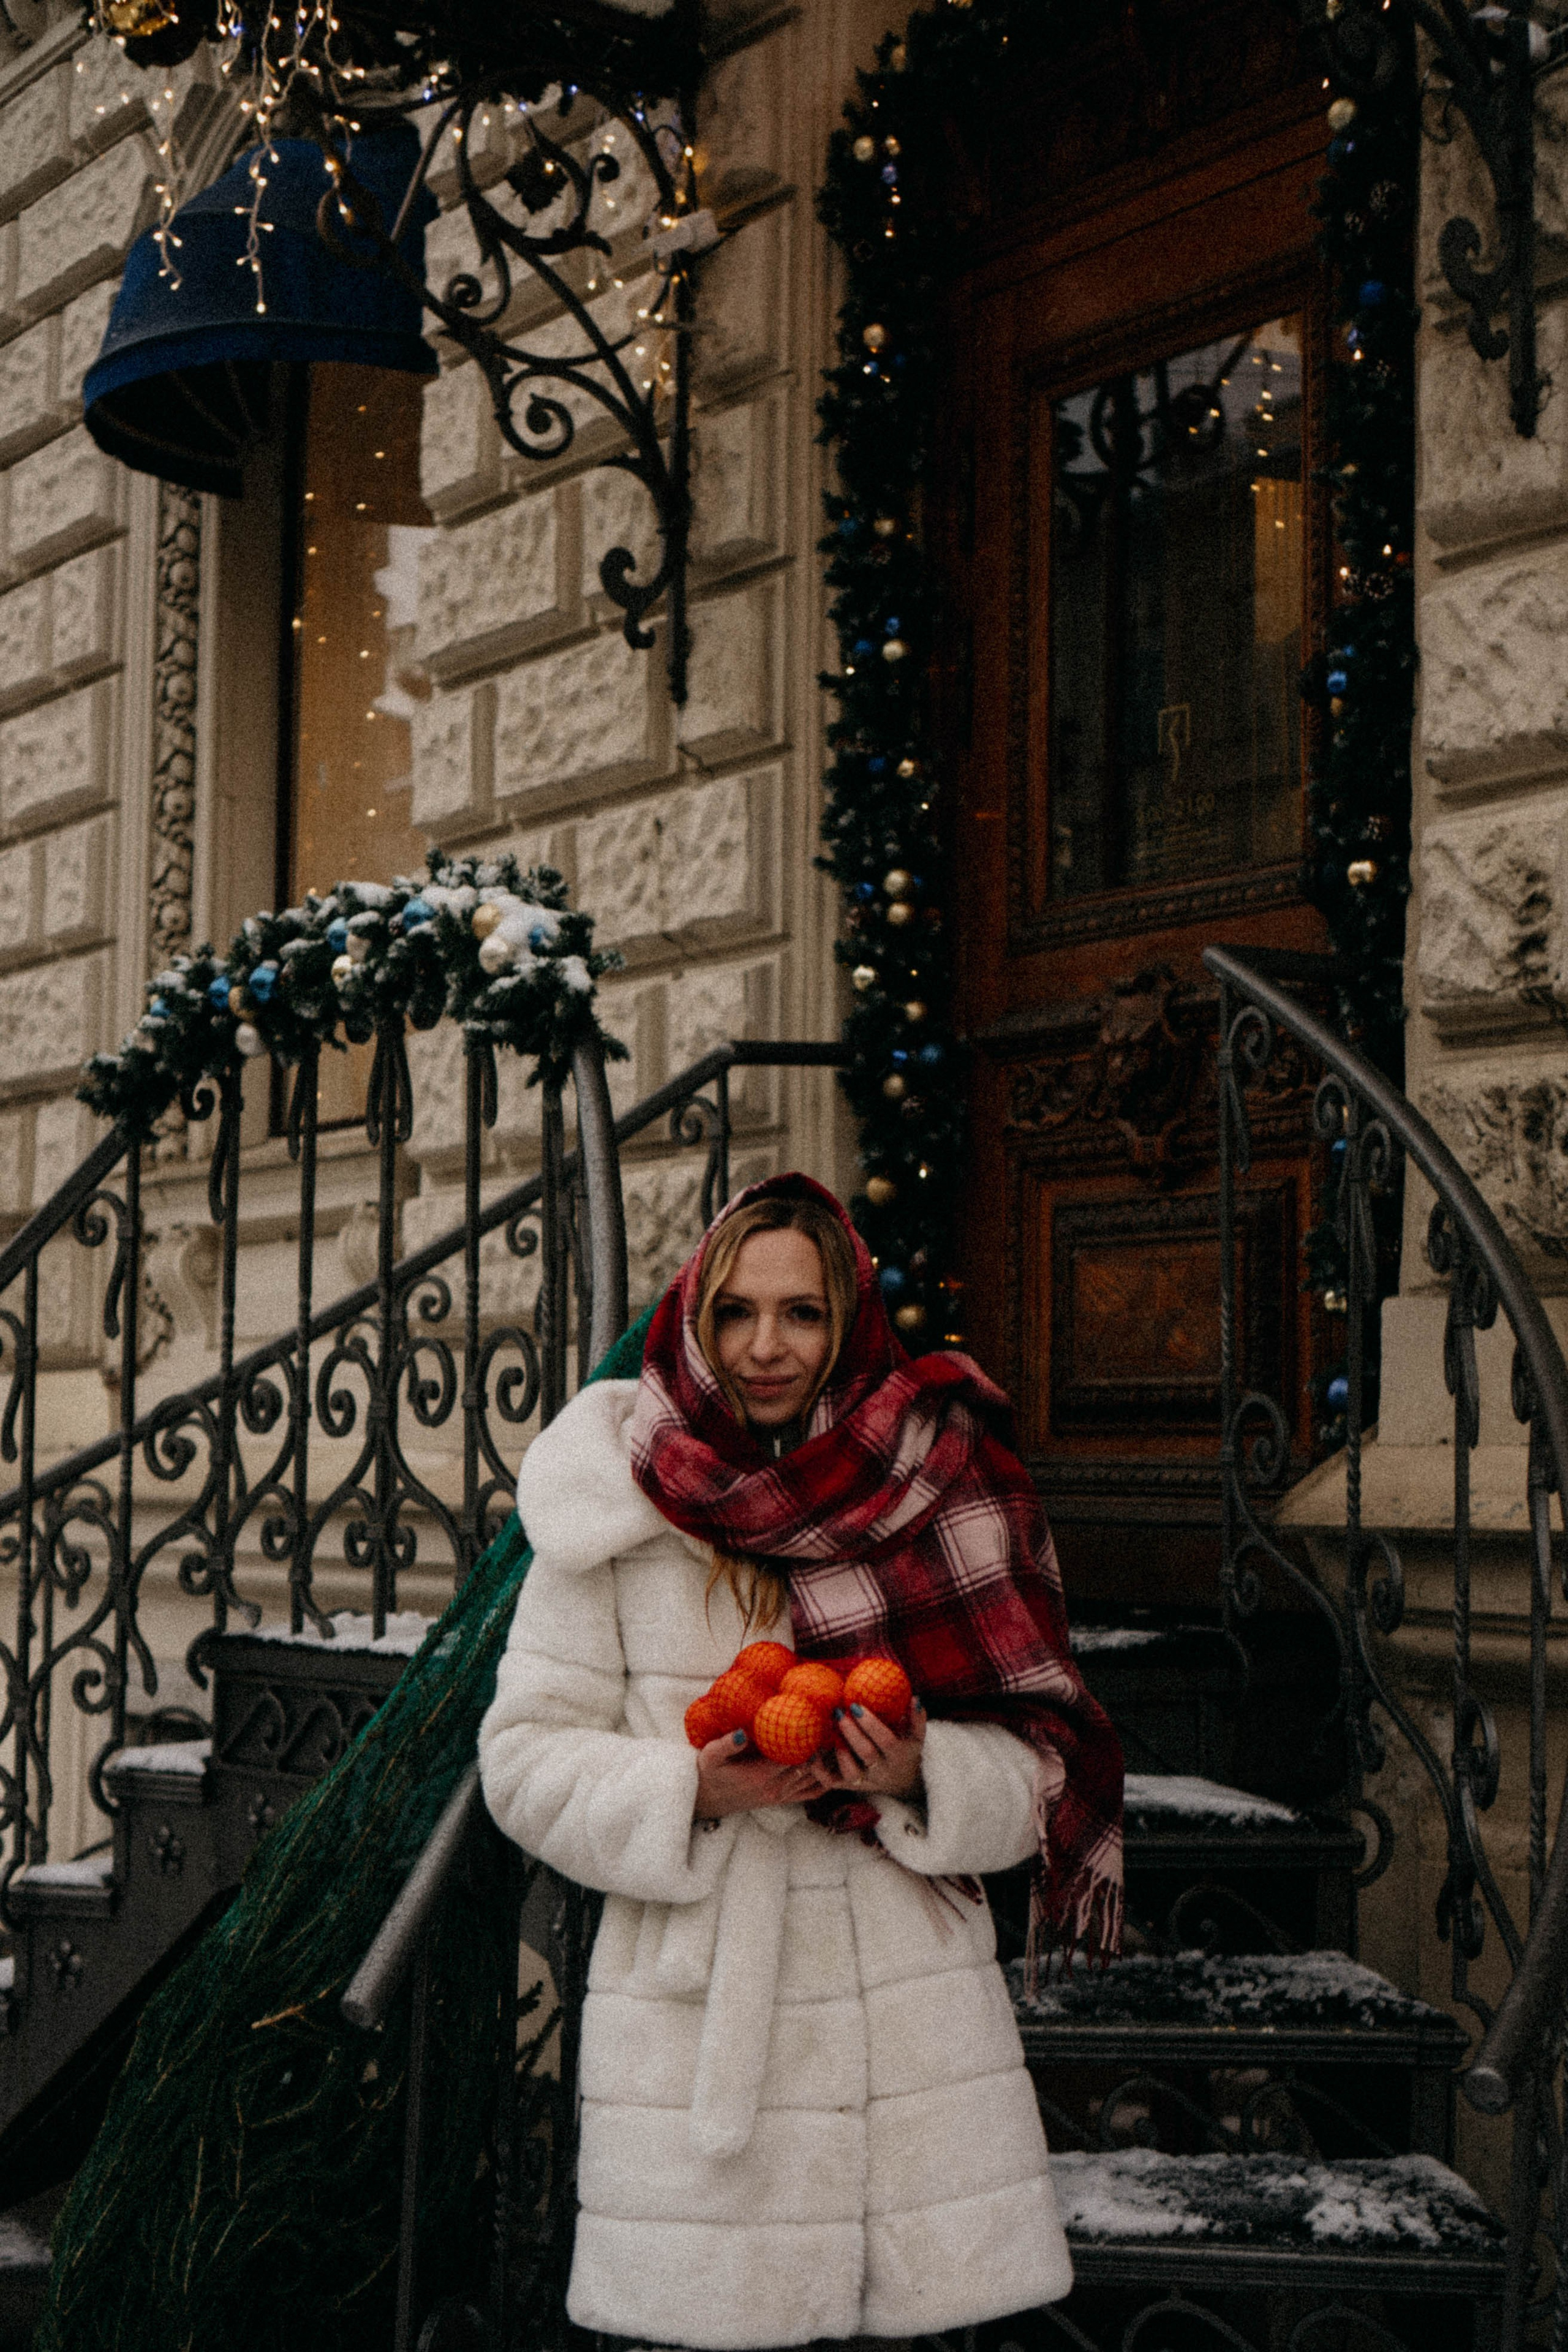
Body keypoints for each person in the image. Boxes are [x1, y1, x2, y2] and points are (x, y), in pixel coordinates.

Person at [478, 1173, 1123, 2351]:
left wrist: (919, 1777)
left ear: (851, 1323)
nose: (766, 1346)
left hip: (908, 2028)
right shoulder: (617, 1509)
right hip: (707, 2008)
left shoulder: (942, 1485)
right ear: (692, 1318)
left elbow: (1039, 1768)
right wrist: (687, 1793)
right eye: (736, 1312)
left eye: (803, 1314)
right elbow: (520, 1760)